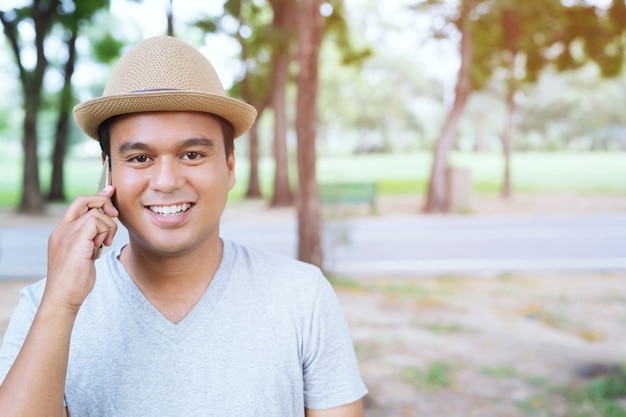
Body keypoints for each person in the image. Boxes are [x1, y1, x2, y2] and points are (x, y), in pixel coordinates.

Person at [0, 36, 367, 416]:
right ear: (108, 174)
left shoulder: (302, 296)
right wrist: (61, 303)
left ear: (229, 166)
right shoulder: (45, 308)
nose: (166, 181)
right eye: (140, 158)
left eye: (192, 154)